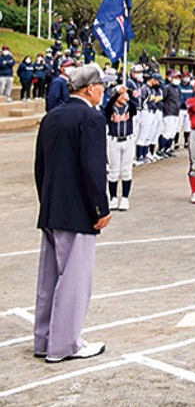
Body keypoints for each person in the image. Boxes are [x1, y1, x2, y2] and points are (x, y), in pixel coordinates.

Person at [33, 63, 114, 363]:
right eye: (101, 86)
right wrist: (100, 207)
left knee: (49, 278)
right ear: (90, 88)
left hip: (53, 207)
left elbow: (40, 166)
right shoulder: (92, 118)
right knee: (74, 281)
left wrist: (47, 202)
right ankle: (65, 344)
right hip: (78, 211)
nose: (103, 91)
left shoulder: (51, 117)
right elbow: (92, 168)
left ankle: (43, 340)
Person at [103, 83, 137, 211]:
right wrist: (118, 93)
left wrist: (129, 93)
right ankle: (113, 197)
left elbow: (134, 106)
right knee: (113, 170)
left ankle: (125, 198)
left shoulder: (129, 107)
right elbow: (107, 108)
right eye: (121, 95)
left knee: (126, 170)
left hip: (127, 140)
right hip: (113, 140)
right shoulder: (110, 109)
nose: (124, 96)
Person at [159, 71, 182, 157]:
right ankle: (161, 149)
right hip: (169, 112)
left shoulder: (177, 88)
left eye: (178, 78)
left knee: (172, 132)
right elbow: (163, 99)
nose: (177, 79)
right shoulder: (167, 88)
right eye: (175, 77)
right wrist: (165, 109)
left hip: (176, 112)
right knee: (167, 131)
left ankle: (167, 148)